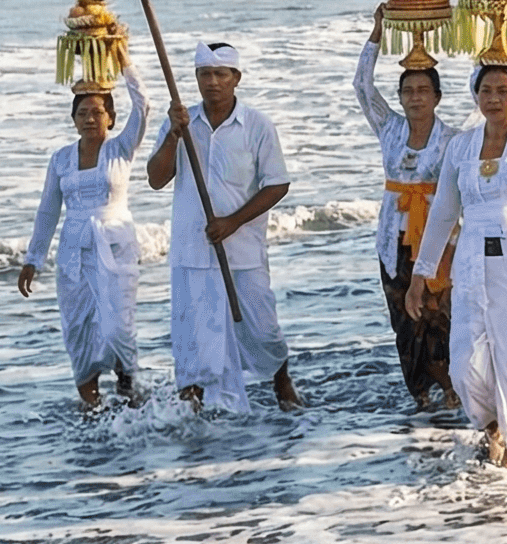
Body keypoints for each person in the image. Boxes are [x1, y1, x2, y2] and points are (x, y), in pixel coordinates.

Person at [408, 30, 507, 466]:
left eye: (504, 91)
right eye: (486, 90)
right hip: (472, 263)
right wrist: (421, 274)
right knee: (466, 365)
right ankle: (492, 425)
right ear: (476, 96)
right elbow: (444, 211)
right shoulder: (460, 146)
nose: (494, 98)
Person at [145, 42, 300, 412]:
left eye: (220, 74)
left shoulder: (257, 125)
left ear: (236, 78)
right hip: (192, 250)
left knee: (261, 328)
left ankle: (281, 381)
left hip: (242, 250)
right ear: (196, 78)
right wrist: (174, 135)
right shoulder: (180, 122)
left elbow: (277, 184)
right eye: (205, 74)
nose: (212, 82)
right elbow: (156, 178)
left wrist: (233, 222)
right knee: (193, 336)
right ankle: (192, 407)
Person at [18, 61, 148, 408]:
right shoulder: (61, 159)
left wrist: (124, 63)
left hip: (116, 248)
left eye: (97, 112)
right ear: (73, 119)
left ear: (111, 118)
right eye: (82, 113)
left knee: (118, 328)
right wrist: (33, 259)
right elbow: (48, 211)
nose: (90, 118)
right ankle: (91, 407)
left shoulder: (121, 149)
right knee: (78, 329)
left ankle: (127, 385)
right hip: (73, 253)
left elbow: (143, 106)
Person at [354, 14, 458, 409]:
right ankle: (421, 394)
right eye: (408, 91)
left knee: (439, 315)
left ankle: (451, 387)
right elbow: (362, 86)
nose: (416, 98)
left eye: (423, 91)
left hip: (437, 237)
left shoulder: (453, 140)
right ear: (399, 98)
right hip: (391, 238)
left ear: (437, 97)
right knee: (404, 319)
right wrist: (377, 34)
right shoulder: (389, 129)